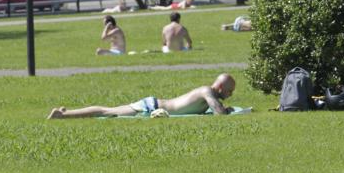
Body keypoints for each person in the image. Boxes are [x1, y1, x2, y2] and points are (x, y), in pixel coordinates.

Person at [47, 73, 236, 119]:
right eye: (229, 91)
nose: (230, 94)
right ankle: (63, 115)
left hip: (153, 104)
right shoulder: (207, 91)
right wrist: (226, 110)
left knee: (108, 111)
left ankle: (67, 112)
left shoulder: (209, 93)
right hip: (151, 106)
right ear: (219, 86)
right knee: (107, 112)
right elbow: (219, 113)